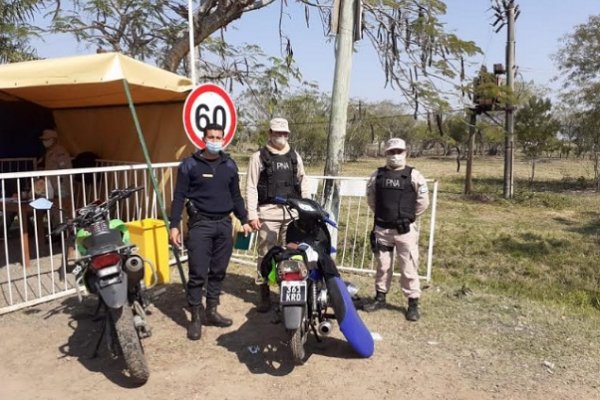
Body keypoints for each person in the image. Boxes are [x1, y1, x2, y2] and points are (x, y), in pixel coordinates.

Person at [169, 123, 252, 341]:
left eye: (218, 137)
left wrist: (244, 219)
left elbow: (236, 197)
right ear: (203, 139)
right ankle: (195, 316)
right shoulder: (189, 165)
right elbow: (178, 196)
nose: (214, 141)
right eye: (211, 137)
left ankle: (212, 311)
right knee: (197, 273)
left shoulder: (230, 166)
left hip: (224, 224)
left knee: (218, 271)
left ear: (223, 140)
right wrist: (174, 224)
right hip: (200, 226)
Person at [246, 117, 310, 313]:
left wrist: (305, 207)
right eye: (276, 133)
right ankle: (264, 292)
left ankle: (286, 291)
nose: (280, 136)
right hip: (268, 214)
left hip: (291, 215)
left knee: (290, 254)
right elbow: (250, 186)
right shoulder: (259, 157)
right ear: (270, 133)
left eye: (284, 133)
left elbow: (303, 180)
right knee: (265, 254)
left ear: (288, 134)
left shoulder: (294, 157)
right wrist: (252, 214)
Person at [362, 137, 430, 321]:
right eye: (391, 152)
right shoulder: (377, 175)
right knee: (383, 266)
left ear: (406, 153)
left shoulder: (414, 175)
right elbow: (371, 199)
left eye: (399, 151)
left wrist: (408, 217)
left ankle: (413, 303)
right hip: (383, 229)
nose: (395, 155)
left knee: (409, 267)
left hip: (405, 231)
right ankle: (380, 297)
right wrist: (384, 216)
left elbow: (423, 202)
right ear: (385, 154)